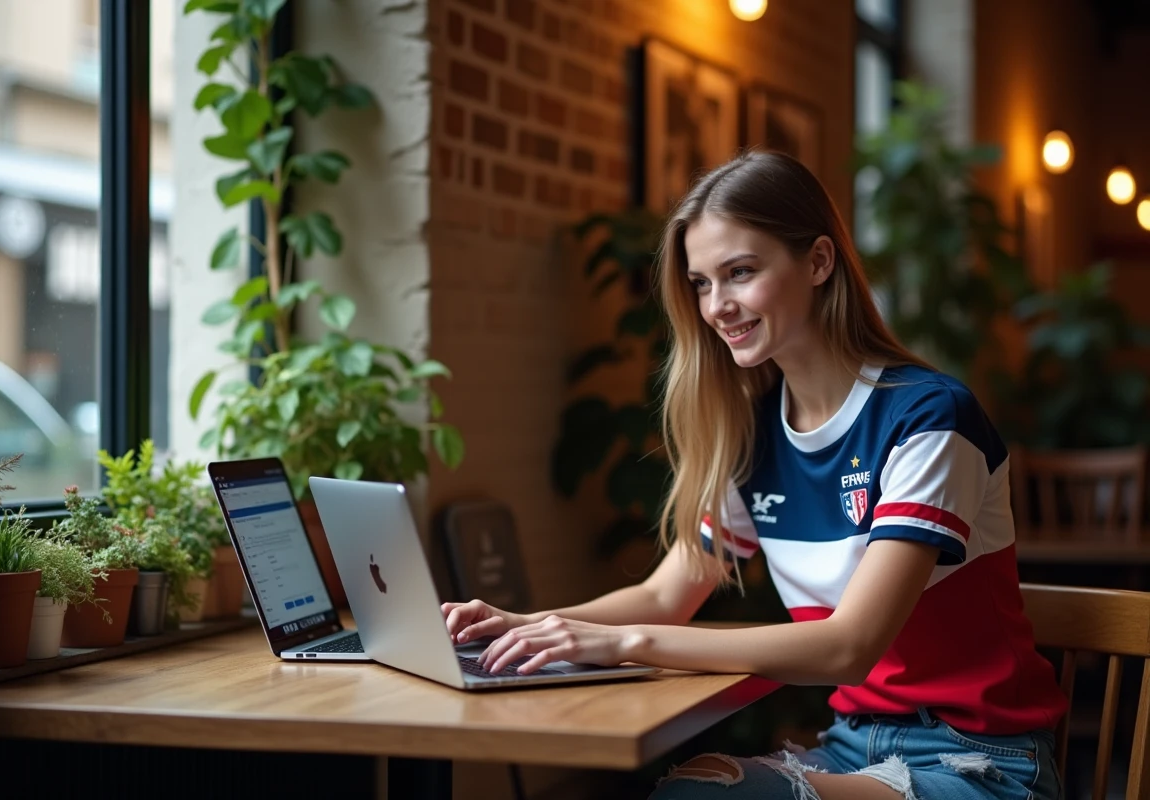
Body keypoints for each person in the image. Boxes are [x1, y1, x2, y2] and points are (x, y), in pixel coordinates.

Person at [442, 150, 1067, 800]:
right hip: (853, 744)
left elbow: (848, 647)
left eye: (739, 272)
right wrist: (523, 625)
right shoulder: (753, 432)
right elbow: (665, 597)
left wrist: (623, 642)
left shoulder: (929, 417)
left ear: (819, 262)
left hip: (979, 763)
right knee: (691, 792)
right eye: (701, 283)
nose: (717, 306)